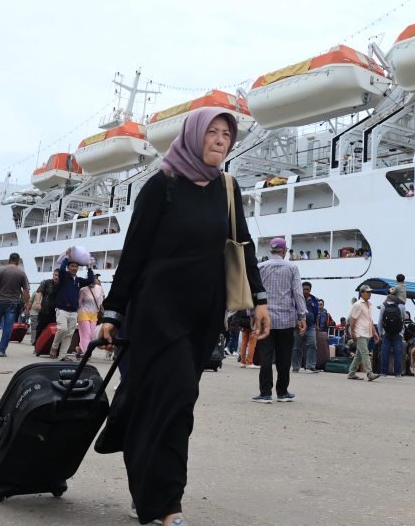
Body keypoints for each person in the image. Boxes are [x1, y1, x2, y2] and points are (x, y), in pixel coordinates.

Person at [94, 107, 269, 526]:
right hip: (157, 311)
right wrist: (113, 311)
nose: (220, 140)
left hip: (203, 314)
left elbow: (243, 245)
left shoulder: (227, 187)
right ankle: (167, 505)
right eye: (212, 131)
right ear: (193, 135)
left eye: (226, 134)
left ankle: (148, 487)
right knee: (174, 400)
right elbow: (134, 252)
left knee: (173, 402)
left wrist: (260, 300)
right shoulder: (163, 184)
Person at [254, 237, 305, 403]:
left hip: (265, 319)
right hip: (286, 319)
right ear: (284, 251)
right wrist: (302, 316)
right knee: (284, 357)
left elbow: (253, 292)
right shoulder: (292, 268)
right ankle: (282, 392)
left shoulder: (260, 267)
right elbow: (298, 293)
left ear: (271, 250)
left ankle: (265, 393)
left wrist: (251, 314)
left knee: (266, 356)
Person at [51, 246, 96, 361]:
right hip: (62, 309)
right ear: (68, 267)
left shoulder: (78, 280)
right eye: (72, 266)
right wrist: (66, 257)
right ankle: (54, 347)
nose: (74, 268)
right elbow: (61, 270)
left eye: (76, 267)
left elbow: (90, 280)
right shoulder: (64, 277)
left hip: (73, 311)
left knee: (69, 334)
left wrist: (89, 268)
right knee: (62, 329)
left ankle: (62, 355)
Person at [347, 285, 381, 381]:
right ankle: (370, 373)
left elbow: (370, 320)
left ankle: (351, 373)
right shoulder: (358, 304)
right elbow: (352, 320)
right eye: (367, 292)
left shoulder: (369, 305)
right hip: (360, 332)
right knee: (365, 353)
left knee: (359, 355)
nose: (370, 294)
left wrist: (375, 333)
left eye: (370, 292)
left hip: (367, 332)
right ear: (362, 293)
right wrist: (353, 333)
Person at [292, 280, 319, 374]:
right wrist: (296, 323)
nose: (306, 291)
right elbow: (292, 311)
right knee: (297, 347)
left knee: (312, 344)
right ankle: (296, 367)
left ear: (310, 290)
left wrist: (317, 325)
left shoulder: (314, 299)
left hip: (311, 327)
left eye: (308, 289)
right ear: (301, 289)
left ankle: (310, 366)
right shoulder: (296, 299)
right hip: (298, 326)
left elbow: (316, 313)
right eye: (304, 289)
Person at [77, 274, 104, 356]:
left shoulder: (99, 288)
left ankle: (79, 348)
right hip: (83, 313)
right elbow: (79, 303)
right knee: (86, 333)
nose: (93, 280)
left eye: (94, 278)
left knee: (92, 335)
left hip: (94, 314)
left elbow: (101, 300)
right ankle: (86, 353)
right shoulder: (83, 289)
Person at [30, 271, 59, 345]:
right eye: (55, 275)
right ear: (53, 275)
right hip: (45, 310)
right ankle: (37, 344)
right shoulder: (46, 282)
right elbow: (39, 292)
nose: (56, 277)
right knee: (40, 327)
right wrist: (38, 303)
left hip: (57, 312)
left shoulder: (62, 284)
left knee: (54, 329)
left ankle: (48, 345)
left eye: (58, 276)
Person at [379, 294, 404, 377]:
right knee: (398, 353)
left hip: (386, 333)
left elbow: (380, 321)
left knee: (385, 353)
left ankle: (384, 372)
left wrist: (380, 333)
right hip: (398, 333)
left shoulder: (383, 306)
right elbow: (403, 319)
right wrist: (401, 332)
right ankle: (398, 373)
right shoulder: (401, 306)